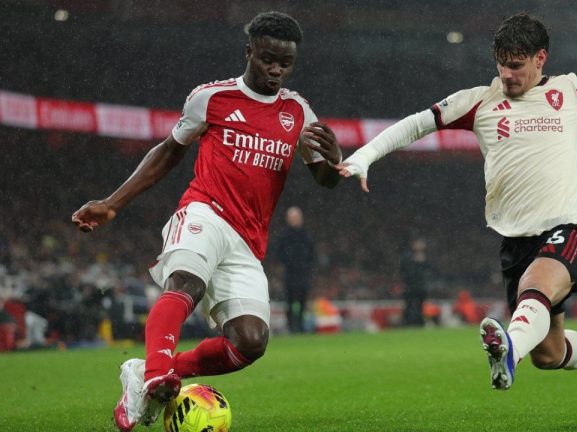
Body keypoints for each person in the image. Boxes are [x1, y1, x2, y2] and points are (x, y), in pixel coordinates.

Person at [339, 13, 577, 397]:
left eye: (517, 65)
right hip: (515, 241)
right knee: (550, 354)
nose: (507, 74)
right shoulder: (478, 101)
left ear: (541, 58)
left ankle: (509, 353)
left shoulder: (571, 92)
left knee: (533, 288)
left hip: (566, 229)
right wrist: (365, 156)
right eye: (502, 64)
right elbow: (415, 124)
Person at [71, 11, 342, 431]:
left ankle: (144, 374)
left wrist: (335, 160)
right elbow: (168, 150)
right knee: (186, 284)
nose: (275, 69)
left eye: (284, 63)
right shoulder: (211, 97)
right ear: (249, 51)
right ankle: (158, 373)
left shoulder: (298, 112)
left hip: (249, 241)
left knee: (250, 343)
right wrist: (113, 203)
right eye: (268, 58)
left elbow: (324, 179)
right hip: (205, 211)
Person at [274, 206, 314, 333]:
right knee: (290, 301)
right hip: (290, 274)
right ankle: (291, 327)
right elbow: (278, 254)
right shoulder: (283, 236)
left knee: (303, 300)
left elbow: (312, 253)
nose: (295, 220)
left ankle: (301, 326)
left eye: (297, 217)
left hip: (303, 273)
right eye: (293, 217)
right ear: (288, 219)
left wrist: (306, 265)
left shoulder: (306, 235)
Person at [399, 238, 430, 327]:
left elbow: (431, 271)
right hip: (410, 287)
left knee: (420, 306)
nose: (420, 246)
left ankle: (419, 323)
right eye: (418, 243)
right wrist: (416, 262)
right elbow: (405, 271)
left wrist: (423, 262)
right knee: (409, 306)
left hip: (421, 287)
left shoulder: (426, 257)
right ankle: (407, 323)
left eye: (421, 243)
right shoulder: (408, 257)